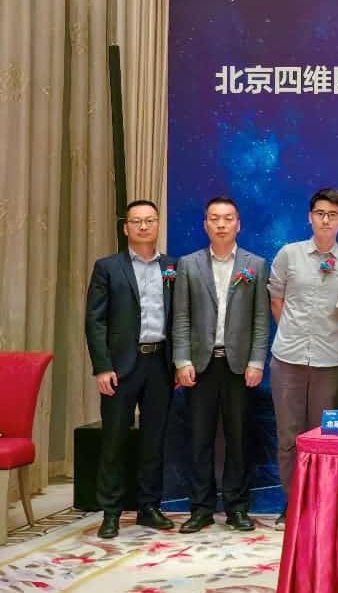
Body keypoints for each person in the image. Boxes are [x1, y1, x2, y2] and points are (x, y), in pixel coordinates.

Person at [172, 196, 269, 533]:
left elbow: (261, 319)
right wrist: (182, 359)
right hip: (200, 365)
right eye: (214, 218)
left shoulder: (255, 265)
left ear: (238, 224)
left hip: (239, 366)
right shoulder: (189, 264)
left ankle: (237, 507)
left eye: (228, 218)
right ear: (205, 224)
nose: (222, 224)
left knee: (239, 439)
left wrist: (257, 361)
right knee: (199, 439)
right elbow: (181, 317)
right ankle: (200, 508)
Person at [266, 188, 338, 529]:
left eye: (332, 215)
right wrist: (292, 333)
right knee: (288, 436)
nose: (325, 220)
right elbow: (277, 299)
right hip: (288, 359)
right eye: (320, 213)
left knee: (319, 437)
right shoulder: (289, 254)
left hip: (329, 360)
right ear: (310, 216)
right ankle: (292, 504)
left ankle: (319, 505)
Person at [84, 199, 177, 539]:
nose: (143, 226)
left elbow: (180, 317)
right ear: (126, 228)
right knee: (114, 439)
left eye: (149, 220)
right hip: (120, 367)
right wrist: (102, 366)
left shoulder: (172, 267)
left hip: (160, 364)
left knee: (154, 440)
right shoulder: (108, 267)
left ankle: (149, 507)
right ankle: (110, 511)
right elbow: (95, 321)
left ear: (157, 225)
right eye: (136, 221)